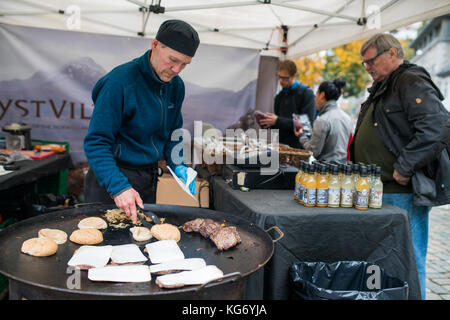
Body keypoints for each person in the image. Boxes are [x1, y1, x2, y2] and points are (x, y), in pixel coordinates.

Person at [350, 33, 450, 299]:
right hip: (379, 189)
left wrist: (405, 166)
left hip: (400, 192)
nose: (367, 67)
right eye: (364, 63)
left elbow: (437, 127)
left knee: (409, 256)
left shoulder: (410, 80)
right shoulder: (387, 84)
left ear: (392, 54)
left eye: (371, 60)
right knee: (384, 257)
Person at [84, 19, 200, 224]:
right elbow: (96, 142)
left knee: (142, 243)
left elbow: (173, 132)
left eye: (185, 64)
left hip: (147, 178)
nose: (176, 69)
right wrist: (119, 187)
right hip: (111, 178)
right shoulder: (120, 82)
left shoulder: (176, 86)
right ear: (155, 45)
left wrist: (178, 163)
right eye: (172, 60)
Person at [258, 60, 316, 149]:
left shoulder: (306, 93)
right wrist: (270, 123)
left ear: (295, 75)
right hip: (281, 147)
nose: (281, 81)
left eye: (285, 78)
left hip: (299, 148)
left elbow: (306, 124)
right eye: (279, 77)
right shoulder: (279, 97)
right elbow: (279, 126)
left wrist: (278, 120)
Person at [294, 78, 352, 163]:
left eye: (316, 94)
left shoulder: (322, 120)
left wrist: (301, 136)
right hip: (343, 169)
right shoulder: (347, 118)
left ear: (322, 95)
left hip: (325, 171)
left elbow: (313, 151)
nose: (315, 98)